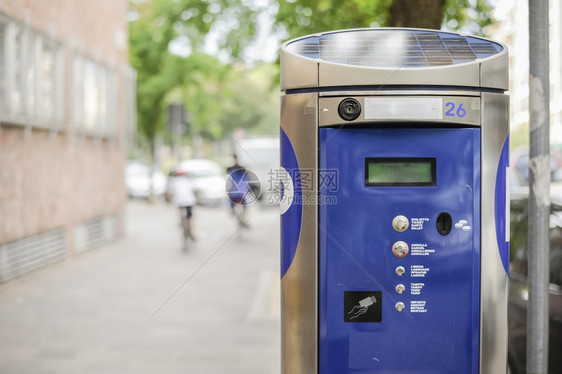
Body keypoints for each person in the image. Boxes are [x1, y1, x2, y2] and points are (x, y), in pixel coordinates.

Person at [169, 169, 197, 239]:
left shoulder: (173, 181)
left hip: (179, 202)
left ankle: (181, 222)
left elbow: (170, 193)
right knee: (190, 217)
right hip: (189, 201)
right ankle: (192, 233)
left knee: (179, 210)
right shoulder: (189, 180)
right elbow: (195, 190)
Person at [226, 155, 252, 227]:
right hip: (241, 193)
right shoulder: (242, 169)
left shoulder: (230, 169)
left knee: (231, 203)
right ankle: (243, 218)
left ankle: (233, 211)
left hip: (233, 193)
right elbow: (247, 182)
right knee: (245, 206)